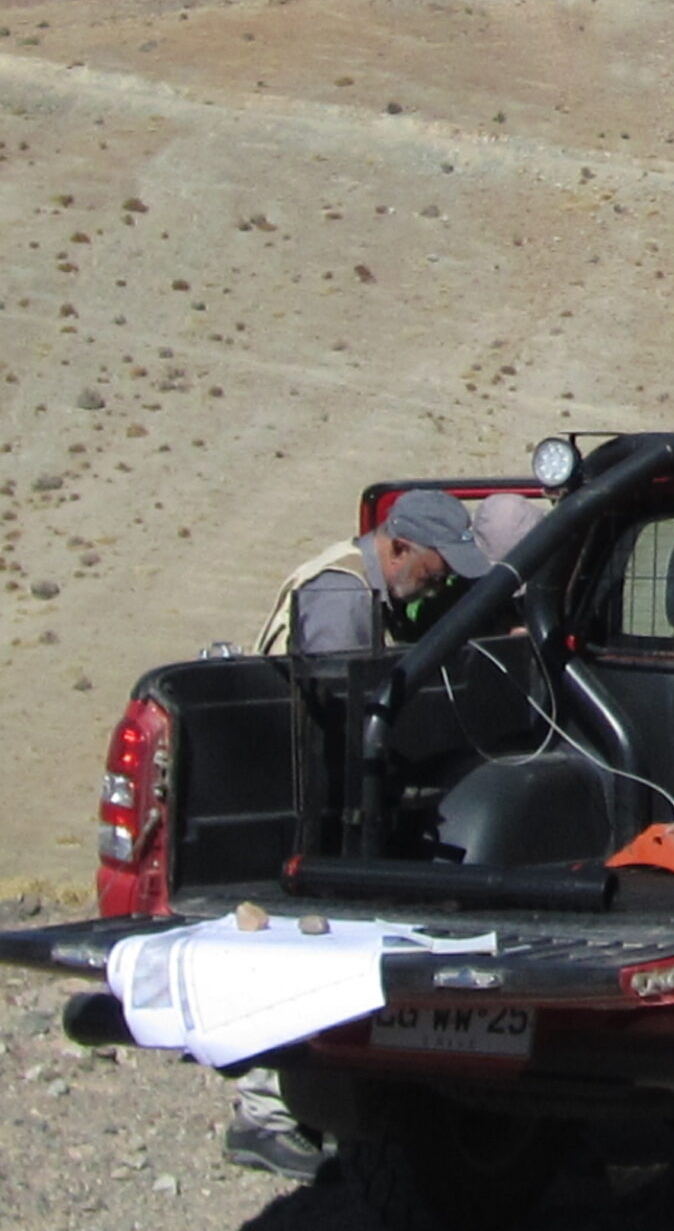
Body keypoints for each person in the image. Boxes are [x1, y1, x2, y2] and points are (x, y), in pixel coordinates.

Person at [227, 489, 498, 1180]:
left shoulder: (361, 589)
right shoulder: (341, 594)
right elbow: (341, 705)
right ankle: (264, 1113)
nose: (432, 585)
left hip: (312, 795)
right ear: (399, 547)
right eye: (434, 571)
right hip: (304, 802)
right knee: (294, 947)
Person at [254, 489, 492, 657]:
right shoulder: (343, 597)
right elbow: (335, 700)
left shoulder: (374, 584)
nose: (435, 591)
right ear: (400, 549)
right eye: (434, 578)